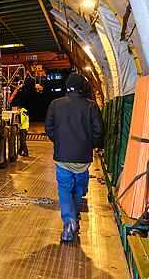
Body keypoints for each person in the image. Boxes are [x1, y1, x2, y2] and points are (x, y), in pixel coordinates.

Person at [45, 72, 105, 242]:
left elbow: (48, 128)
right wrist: (94, 144)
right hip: (83, 157)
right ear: (82, 88)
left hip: (62, 156)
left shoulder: (55, 104)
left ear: (67, 86)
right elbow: (99, 130)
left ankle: (69, 219)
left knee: (64, 189)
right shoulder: (91, 106)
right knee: (78, 189)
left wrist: (59, 141)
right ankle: (76, 217)